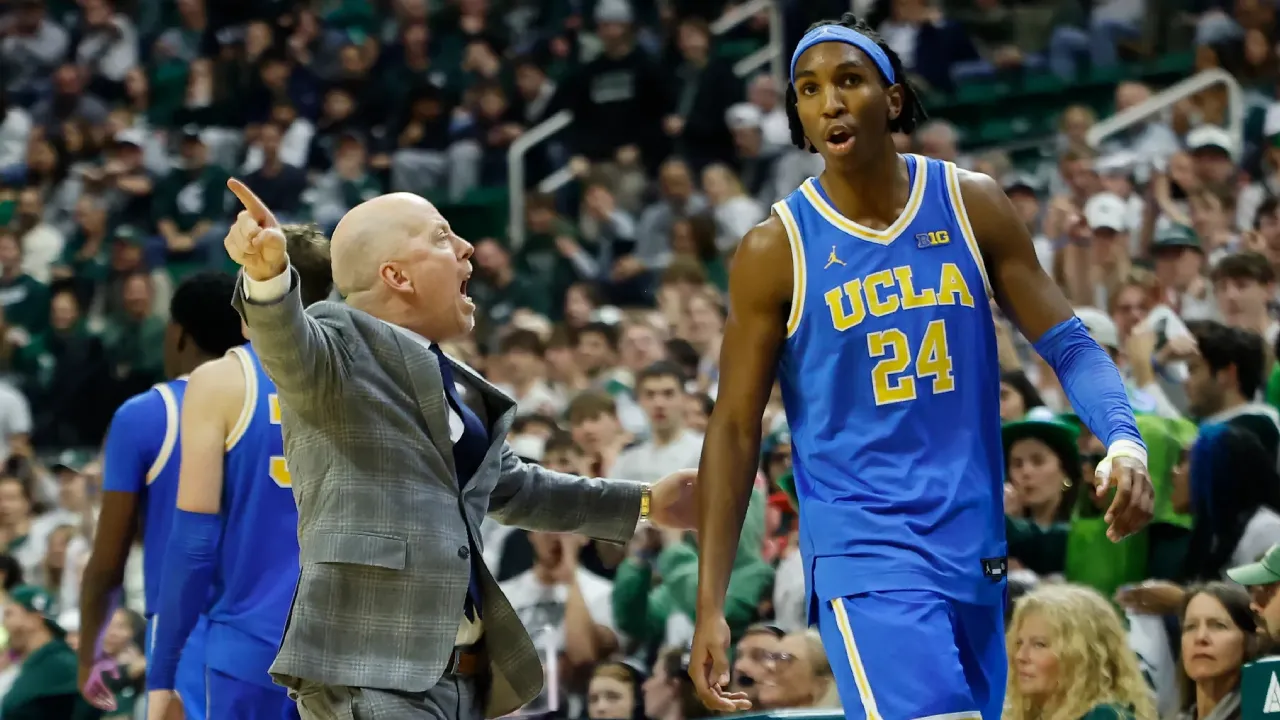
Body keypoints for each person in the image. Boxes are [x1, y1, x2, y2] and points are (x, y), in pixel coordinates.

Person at [689, 13, 1154, 720]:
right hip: (863, 544)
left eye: (849, 81)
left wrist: (1124, 438)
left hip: (973, 537)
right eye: (808, 91)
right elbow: (732, 429)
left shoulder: (971, 203)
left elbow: (1069, 344)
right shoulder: (774, 249)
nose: (831, 102)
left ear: (895, 99)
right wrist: (710, 604)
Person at [222, 179, 698, 720]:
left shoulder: (453, 381)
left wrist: (644, 504)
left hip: (460, 676)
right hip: (371, 667)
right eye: (443, 237)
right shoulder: (338, 344)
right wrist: (266, 278)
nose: (467, 248)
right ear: (396, 275)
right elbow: (288, 347)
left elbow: (513, 488)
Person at [146, 226, 335, 720]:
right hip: (347, 652)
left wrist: (164, 672)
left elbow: (192, 544)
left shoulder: (220, 380)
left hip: (252, 649)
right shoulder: (364, 373)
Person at [78, 272, 247, 717]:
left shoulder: (146, 415)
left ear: (177, 335)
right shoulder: (280, 405)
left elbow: (107, 561)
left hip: (185, 632)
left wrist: (89, 653)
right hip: (272, 629)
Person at [4, 585, 98, 719]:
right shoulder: (35, 663)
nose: (4, 623)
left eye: (9, 614)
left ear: (34, 619)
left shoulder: (62, 665)